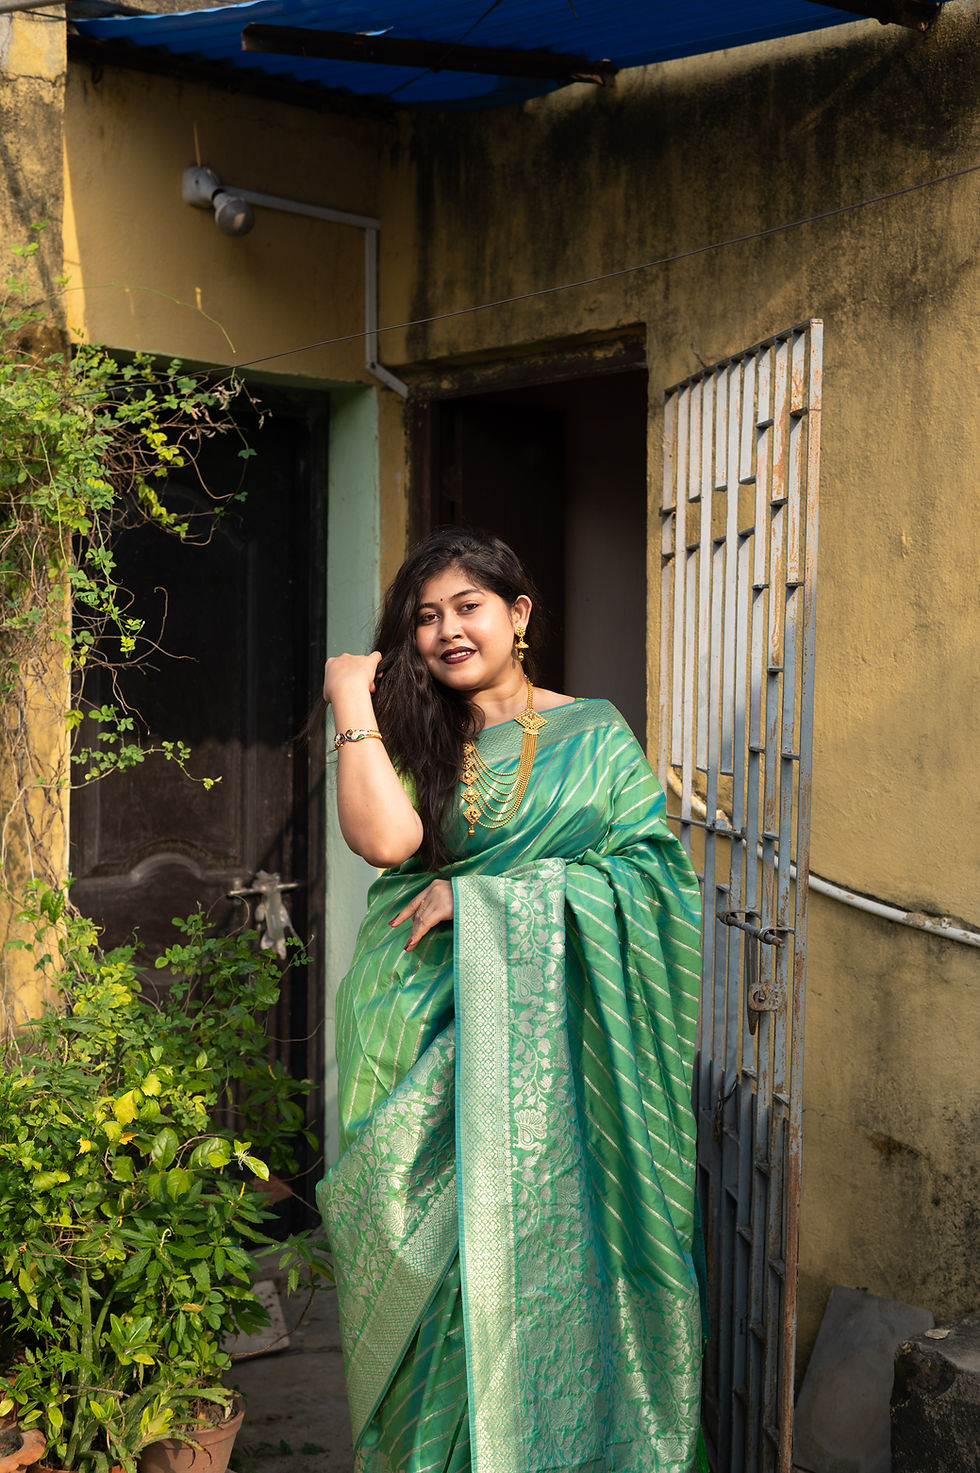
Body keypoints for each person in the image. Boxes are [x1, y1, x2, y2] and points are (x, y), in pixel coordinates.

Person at [316, 529, 704, 1473]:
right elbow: (384, 842)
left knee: (549, 1260)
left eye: (467, 606)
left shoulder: (597, 731)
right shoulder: (416, 732)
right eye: (425, 617)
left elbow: (651, 875)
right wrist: (348, 699)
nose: (447, 630)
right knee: (433, 1268)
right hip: (423, 1018)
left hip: (563, 1043)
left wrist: (490, 896)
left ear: (518, 614)